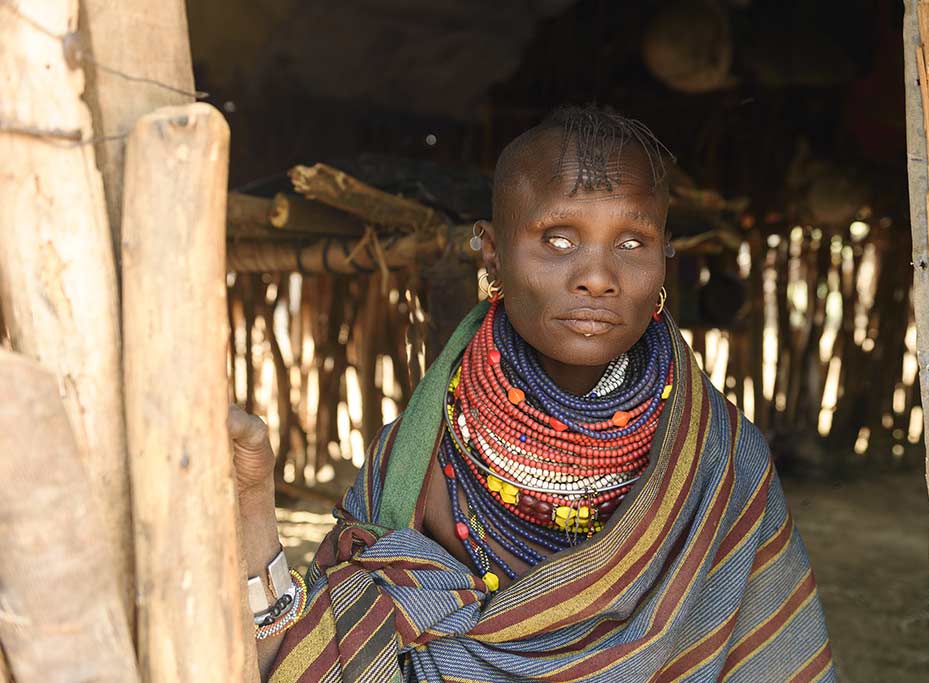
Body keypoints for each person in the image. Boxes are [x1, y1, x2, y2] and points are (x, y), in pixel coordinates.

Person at [230, 106, 835, 682]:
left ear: (664, 259)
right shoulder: (417, 465)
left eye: (632, 244)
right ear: (492, 251)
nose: (597, 276)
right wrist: (256, 498)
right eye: (559, 239)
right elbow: (308, 657)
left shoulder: (721, 465)